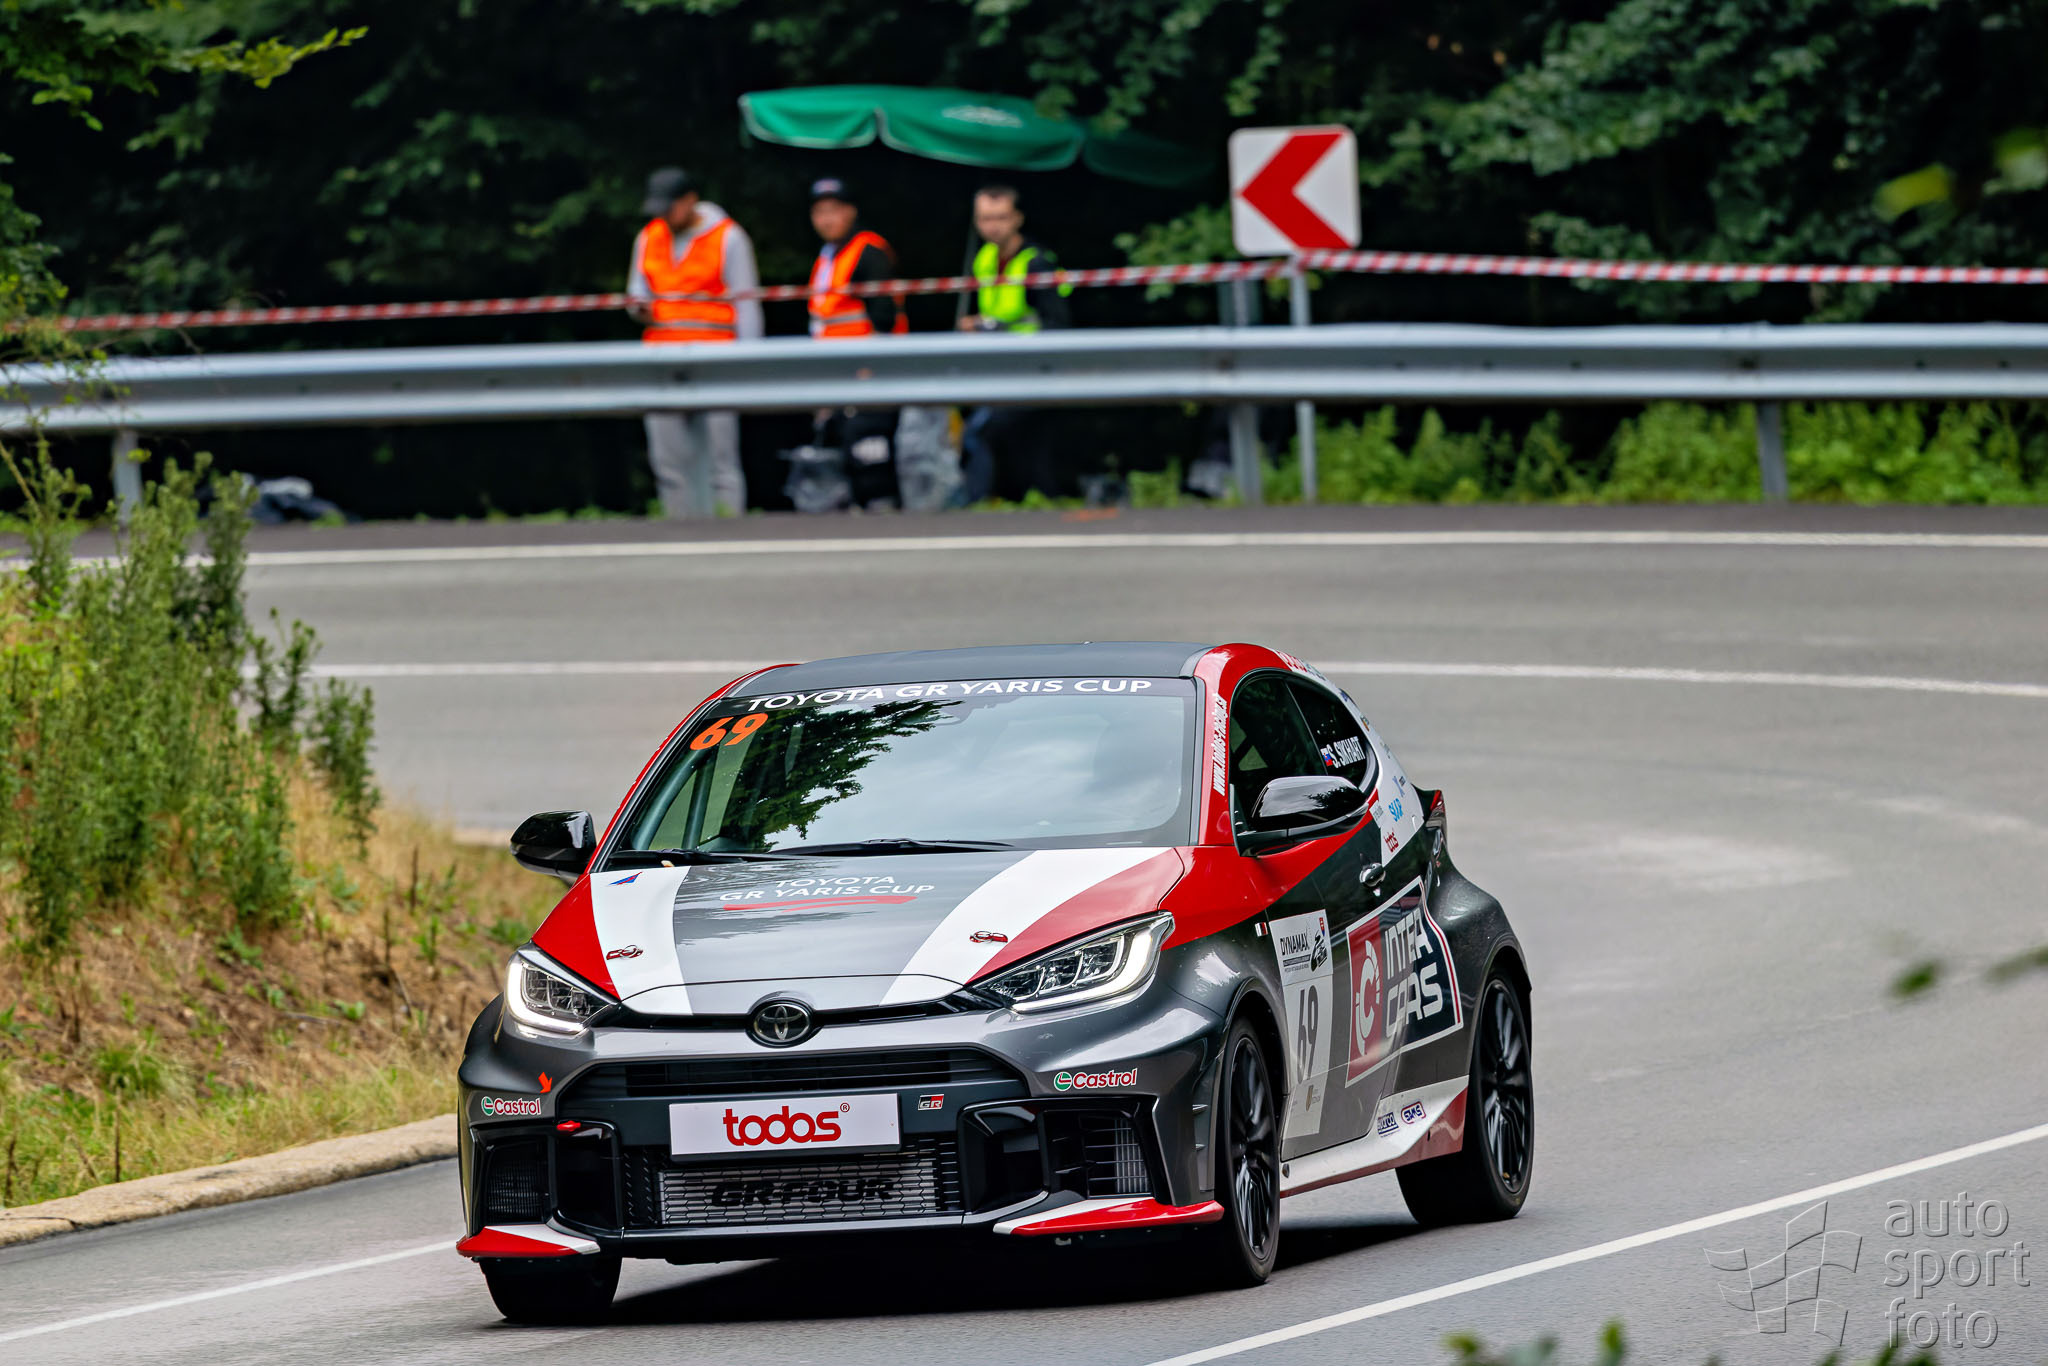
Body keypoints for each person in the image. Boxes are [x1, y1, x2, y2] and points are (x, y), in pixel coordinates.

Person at [627, 166, 763, 518]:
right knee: (669, 460)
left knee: (721, 459)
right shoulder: (649, 237)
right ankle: (680, 530)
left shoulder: (728, 237)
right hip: (662, 359)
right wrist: (639, 308)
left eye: (669, 208)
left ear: (690, 201)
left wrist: (750, 360)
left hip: (715, 359)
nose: (663, 217)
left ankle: (729, 527)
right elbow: (636, 292)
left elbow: (747, 306)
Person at [956, 184, 1073, 503]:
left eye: (1001, 217)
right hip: (995, 366)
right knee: (1000, 436)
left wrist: (994, 329)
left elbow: (1056, 323)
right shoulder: (985, 258)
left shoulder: (1037, 262)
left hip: (1034, 366)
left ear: (1017, 218)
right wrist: (979, 325)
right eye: (985, 219)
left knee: (985, 431)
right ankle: (1016, 498)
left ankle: (980, 500)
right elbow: (995, 311)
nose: (992, 226)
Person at [804, 177, 905, 507]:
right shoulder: (828, 257)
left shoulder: (868, 251)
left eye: (833, 210)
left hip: (867, 374)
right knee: (848, 455)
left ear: (850, 211)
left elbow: (884, 319)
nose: (826, 219)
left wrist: (869, 370)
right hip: (836, 374)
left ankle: (884, 515)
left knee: (870, 454)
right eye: (819, 212)